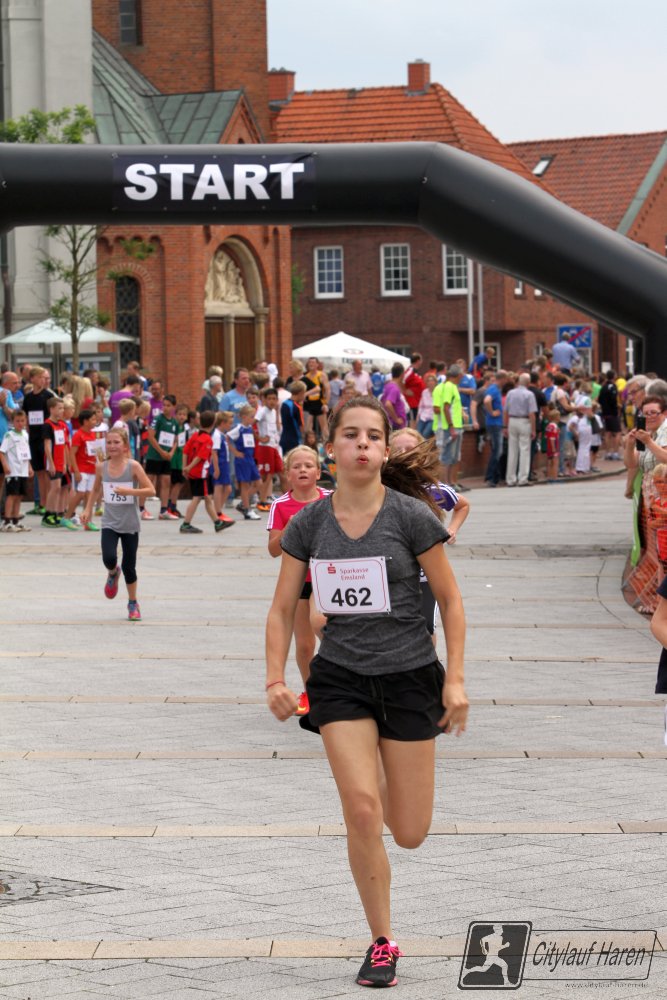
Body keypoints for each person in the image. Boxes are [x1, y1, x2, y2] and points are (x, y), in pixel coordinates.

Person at [265, 395, 467, 990]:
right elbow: (281, 608)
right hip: (341, 678)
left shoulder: (410, 517)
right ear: (331, 447)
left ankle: (382, 773)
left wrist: (455, 679)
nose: (361, 444)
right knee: (360, 809)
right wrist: (276, 678)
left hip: (409, 677)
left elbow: (451, 600)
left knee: (409, 832)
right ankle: (382, 942)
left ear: (383, 449)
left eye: (372, 436)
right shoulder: (309, 524)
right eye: (350, 434)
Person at [387, 428, 470, 642]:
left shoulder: (433, 490)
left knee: (425, 629)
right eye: (398, 449)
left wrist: (452, 529)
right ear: (387, 452)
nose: (404, 453)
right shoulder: (379, 488)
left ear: (422, 454)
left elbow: (462, 505)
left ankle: (429, 662)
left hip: (426, 573)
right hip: (389, 573)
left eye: (410, 448)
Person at [267, 446, 331, 715]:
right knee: (304, 646)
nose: (302, 470)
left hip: (327, 577)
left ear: (318, 472)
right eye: (296, 466)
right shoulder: (280, 505)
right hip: (298, 581)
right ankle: (311, 692)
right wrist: (289, 529)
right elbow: (273, 549)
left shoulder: (331, 500)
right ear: (288, 474)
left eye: (308, 465)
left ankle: (338, 683)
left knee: (323, 625)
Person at [81, 426, 155, 621]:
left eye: (116, 442)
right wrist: (88, 509)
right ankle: (113, 573)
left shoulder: (133, 466)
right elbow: (95, 489)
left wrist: (130, 492)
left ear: (125, 446)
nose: (112, 446)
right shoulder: (101, 467)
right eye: (109, 442)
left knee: (129, 567)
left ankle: (133, 603)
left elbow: (151, 490)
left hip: (130, 523)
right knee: (108, 557)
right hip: (110, 521)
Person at [179, 410, 227, 535]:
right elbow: (200, 457)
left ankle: (217, 522)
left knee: (207, 497)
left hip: (193, 472)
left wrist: (185, 467)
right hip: (201, 473)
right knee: (197, 498)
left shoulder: (195, 435)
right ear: (213, 423)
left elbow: (185, 451)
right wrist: (189, 467)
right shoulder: (208, 440)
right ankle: (186, 524)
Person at [63, 408, 100, 530]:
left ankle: (87, 521)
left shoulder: (93, 434)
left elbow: (96, 451)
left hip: (92, 469)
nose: (95, 422)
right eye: (93, 419)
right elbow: (72, 453)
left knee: (89, 495)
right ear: (85, 421)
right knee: (80, 493)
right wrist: (76, 470)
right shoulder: (78, 435)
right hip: (81, 469)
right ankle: (66, 517)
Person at [145, 394, 179, 520]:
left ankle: (164, 510)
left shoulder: (175, 422)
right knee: (148, 482)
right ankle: (141, 508)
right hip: (154, 456)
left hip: (166, 457)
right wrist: (161, 452)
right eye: (164, 405)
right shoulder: (158, 419)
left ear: (174, 407)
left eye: (168, 405)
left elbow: (176, 440)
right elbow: (150, 436)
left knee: (166, 482)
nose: (165, 408)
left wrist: (171, 453)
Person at [42, 396, 74, 528]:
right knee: (55, 487)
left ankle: (58, 512)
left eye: (63, 408)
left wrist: (66, 462)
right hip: (53, 461)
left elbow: (64, 445)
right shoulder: (47, 425)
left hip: (62, 461)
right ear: (51, 409)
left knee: (63, 487)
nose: (62, 411)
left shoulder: (61, 425)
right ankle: (48, 514)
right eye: (59, 408)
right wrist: (51, 463)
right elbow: (47, 446)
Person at [228, 404, 262, 521]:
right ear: (244, 417)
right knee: (245, 485)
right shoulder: (239, 428)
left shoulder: (249, 428)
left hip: (250, 459)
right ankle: (247, 509)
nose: (253, 419)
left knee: (259, 483)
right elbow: (227, 437)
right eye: (251, 417)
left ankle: (243, 503)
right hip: (242, 460)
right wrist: (235, 452)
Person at [433, 364, 465, 489]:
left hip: (456, 425)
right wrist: (451, 427)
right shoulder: (449, 387)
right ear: (458, 375)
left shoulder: (452, 387)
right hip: (451, 427)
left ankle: (450, 483)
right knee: (447, 456)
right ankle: (445, 484)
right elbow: (446, 408)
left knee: (453, 457)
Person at [0, 409, 32, 532]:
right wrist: (5, 466)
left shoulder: (25, 434)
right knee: (12, 495)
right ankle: (7, 521)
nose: (20, 423)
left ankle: (15, 520)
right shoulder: (9, 435)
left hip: (23, 470)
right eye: (17, 421)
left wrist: (29, 467)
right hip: (13, 471)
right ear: (12, 421)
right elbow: (2, 452)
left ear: (26, 421)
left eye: (22, 421)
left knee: (19, 495)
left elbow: (26, 452)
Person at [503, 372, 537, 487]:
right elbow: (532, 413)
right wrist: (533, 429)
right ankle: (522, 478)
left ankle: (510, 479)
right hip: (524, 421)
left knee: (512, 450)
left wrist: (505, 426)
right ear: (528, 383)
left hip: (512, 420)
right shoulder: (529, 394)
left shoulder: (510, 393)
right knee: (524, 450)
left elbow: (505, 411)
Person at [254, 386, 285, 511]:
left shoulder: (274, 411)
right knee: (267, 475)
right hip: (265, 447)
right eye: (269, 399)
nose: (272, 401)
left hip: (274, 445)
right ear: (265, 400)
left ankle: (288, 499)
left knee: (281, 472)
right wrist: (259, 438)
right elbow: (252, 423)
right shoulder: (262, 411)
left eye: (274, 399)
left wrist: (277, 413)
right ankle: (261, 501)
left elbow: (277, 428)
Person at [210, 411, 235, 526]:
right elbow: (214, 452)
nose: (231, 426)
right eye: (229, 423)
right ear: (222, 423)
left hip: (225, 464)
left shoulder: (222, 435)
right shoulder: (216, 435)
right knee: (219, 488)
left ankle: (218, 510)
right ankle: (218, 512)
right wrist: (216, 468)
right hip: (219, 464)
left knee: (228, 489)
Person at [483, 372, 504, 487]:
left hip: (494, 423)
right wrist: (492, 412)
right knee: (497, 451)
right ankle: (490, 477)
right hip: (494, 424)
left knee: (496, 450)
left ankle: (494, 477)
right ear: (502, 379)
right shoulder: (494, 389)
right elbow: (487, 400)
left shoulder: (494, 389)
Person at [302, 356, 330, 441]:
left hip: (319, 402)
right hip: (309, 403)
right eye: (310, 362)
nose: (311, 364)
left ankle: (327, 444)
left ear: (317, 364)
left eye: (313, 362)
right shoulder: (306, 376)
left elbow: (328, 390)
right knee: (307, 428)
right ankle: (309, 443)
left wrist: (326, 403)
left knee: (324, 427)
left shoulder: (321, 375)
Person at [598, 370, 622, 460]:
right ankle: (615, 453)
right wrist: (616, 407)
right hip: (612, 413)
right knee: (618, 433)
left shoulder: (603, 387)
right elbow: (613, 399)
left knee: (608, 433)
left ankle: (608, 453)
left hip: (605, 413)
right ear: (614, 376)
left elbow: (600, 399)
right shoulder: (613, 386)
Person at [280, 380, 306, 454]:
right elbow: (301, 426)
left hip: (284, 437)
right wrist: (304, 437)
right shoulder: (297, 407)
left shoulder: (284, 403)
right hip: (294, 440)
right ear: (301, 393)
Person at [380, 362, 407, 430]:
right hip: (395, 425)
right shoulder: (394, 388)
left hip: (390, 422)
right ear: (402, 374)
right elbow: (388, 404)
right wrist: (396, 419)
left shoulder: (388, 385)